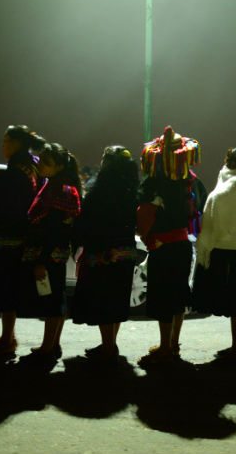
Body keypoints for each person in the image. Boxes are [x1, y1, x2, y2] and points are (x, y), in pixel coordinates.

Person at [136, 126, 200, 366]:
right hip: (183, 245)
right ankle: (173, 344)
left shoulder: (153, 183)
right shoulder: (190, 182)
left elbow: (143, 214)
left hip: (162, 247)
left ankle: (165, 347)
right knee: (178, 296)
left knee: (164, 298)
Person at [192, 146, 236, 362]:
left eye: (228, 159)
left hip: (225, 249)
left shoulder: (231, 184)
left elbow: (214, 213)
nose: (226, 163)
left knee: (234, 303)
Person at [0, 125, 44, 355]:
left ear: (16, 144)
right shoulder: (34, 166)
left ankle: (8, 340)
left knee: (6, 290)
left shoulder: (15, 173)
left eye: (6, 141)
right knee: (12, 291)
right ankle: (8, 336)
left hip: (9, 239)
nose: (3, 145)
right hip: (26, 235)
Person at [71, 146, 140, 365]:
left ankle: (108, 349)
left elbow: (88, 221)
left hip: (102, 253)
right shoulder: (132, 190)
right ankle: (109, 344)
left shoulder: (100, 190)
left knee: (103, 301)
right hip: (125, 253)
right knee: (117, 302)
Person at [21, 142, 81, 362]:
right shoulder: (59, 185)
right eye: (42, 160)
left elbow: (55, 229)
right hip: (55, 253)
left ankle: (48, 348)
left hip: (49, 254)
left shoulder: (59, 189)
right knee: (56, 299)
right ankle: (52, 345)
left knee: (52, 302)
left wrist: (42, 259)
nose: (41, 166)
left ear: (58, 166)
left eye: (47, 162)